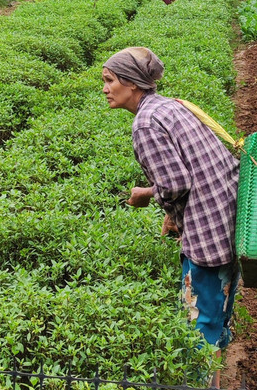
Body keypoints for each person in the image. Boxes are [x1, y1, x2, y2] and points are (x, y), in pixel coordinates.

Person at [102, 46, 240, 387]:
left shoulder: (145, 123)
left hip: (208, 235)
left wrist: (147, 195)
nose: (105, 89)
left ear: (132, 83)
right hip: (227, 222)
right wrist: (171, 211)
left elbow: (175, 183)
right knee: (216, 318)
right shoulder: (170, 106)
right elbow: (191, 171)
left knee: (198, 327)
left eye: (110, 80)